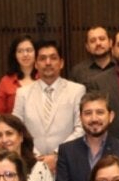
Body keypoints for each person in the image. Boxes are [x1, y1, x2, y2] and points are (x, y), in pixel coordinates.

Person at [13, 40, 85, 171]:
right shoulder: (22, 93)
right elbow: (16, 129)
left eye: (53, 58)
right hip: (32, 163)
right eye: (42, 58)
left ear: (61, 63)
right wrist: (37, 156)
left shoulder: (77, 90)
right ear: (35, 64)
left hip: (67, 162)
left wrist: (57, 155)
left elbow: (80, 128)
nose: (48, 63)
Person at [0, 35, 37, 114]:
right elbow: (0, 114)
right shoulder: (5, 81)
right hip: (13, 125)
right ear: (14, 55)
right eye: (20, 51)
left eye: (29, 50)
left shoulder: (44, 78)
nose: (25, 54)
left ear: (36, 53)